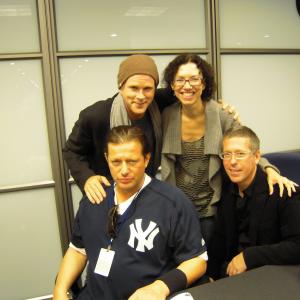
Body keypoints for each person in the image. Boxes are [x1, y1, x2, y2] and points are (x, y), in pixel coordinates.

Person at [54, 126, 207, 300]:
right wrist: (60, 289)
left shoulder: (172, 203)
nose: (124, 170)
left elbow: (198, 260)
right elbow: (77, 250)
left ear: (146, 159)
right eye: (116, 162)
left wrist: (160, 288)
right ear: (106, 159)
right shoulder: (94, 199)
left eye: (132, 161)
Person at [160, 53, 297, 246]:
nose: (187, 86)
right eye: (180, 80)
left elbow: (246, 146)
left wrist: (269, 168)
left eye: (194, 79)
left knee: (208, 262)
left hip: (212, 208)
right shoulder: (166, 116)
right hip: (177, 207)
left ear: (204, 83)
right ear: (173, 86)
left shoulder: (221, 114)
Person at [63, 54, 174, 204]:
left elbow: (188, 90)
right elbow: (71, 151)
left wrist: (215, 107)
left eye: (147, 89)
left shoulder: (158, 102)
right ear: (121, 87)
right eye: (133, 88)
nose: (141, 96)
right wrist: (87, 178)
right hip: (108, 195)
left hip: (147, 192)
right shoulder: (95, 116)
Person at [207, 126, 300, 279]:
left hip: (270, 276)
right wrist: (211, 276)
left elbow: (297, 246)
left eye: (240, 154)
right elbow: (220, 239)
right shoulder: (228, 190)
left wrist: (249, 257)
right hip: (234, 278)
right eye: (227, 154)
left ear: (257, 157)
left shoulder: (284, 193)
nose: (232, 162)